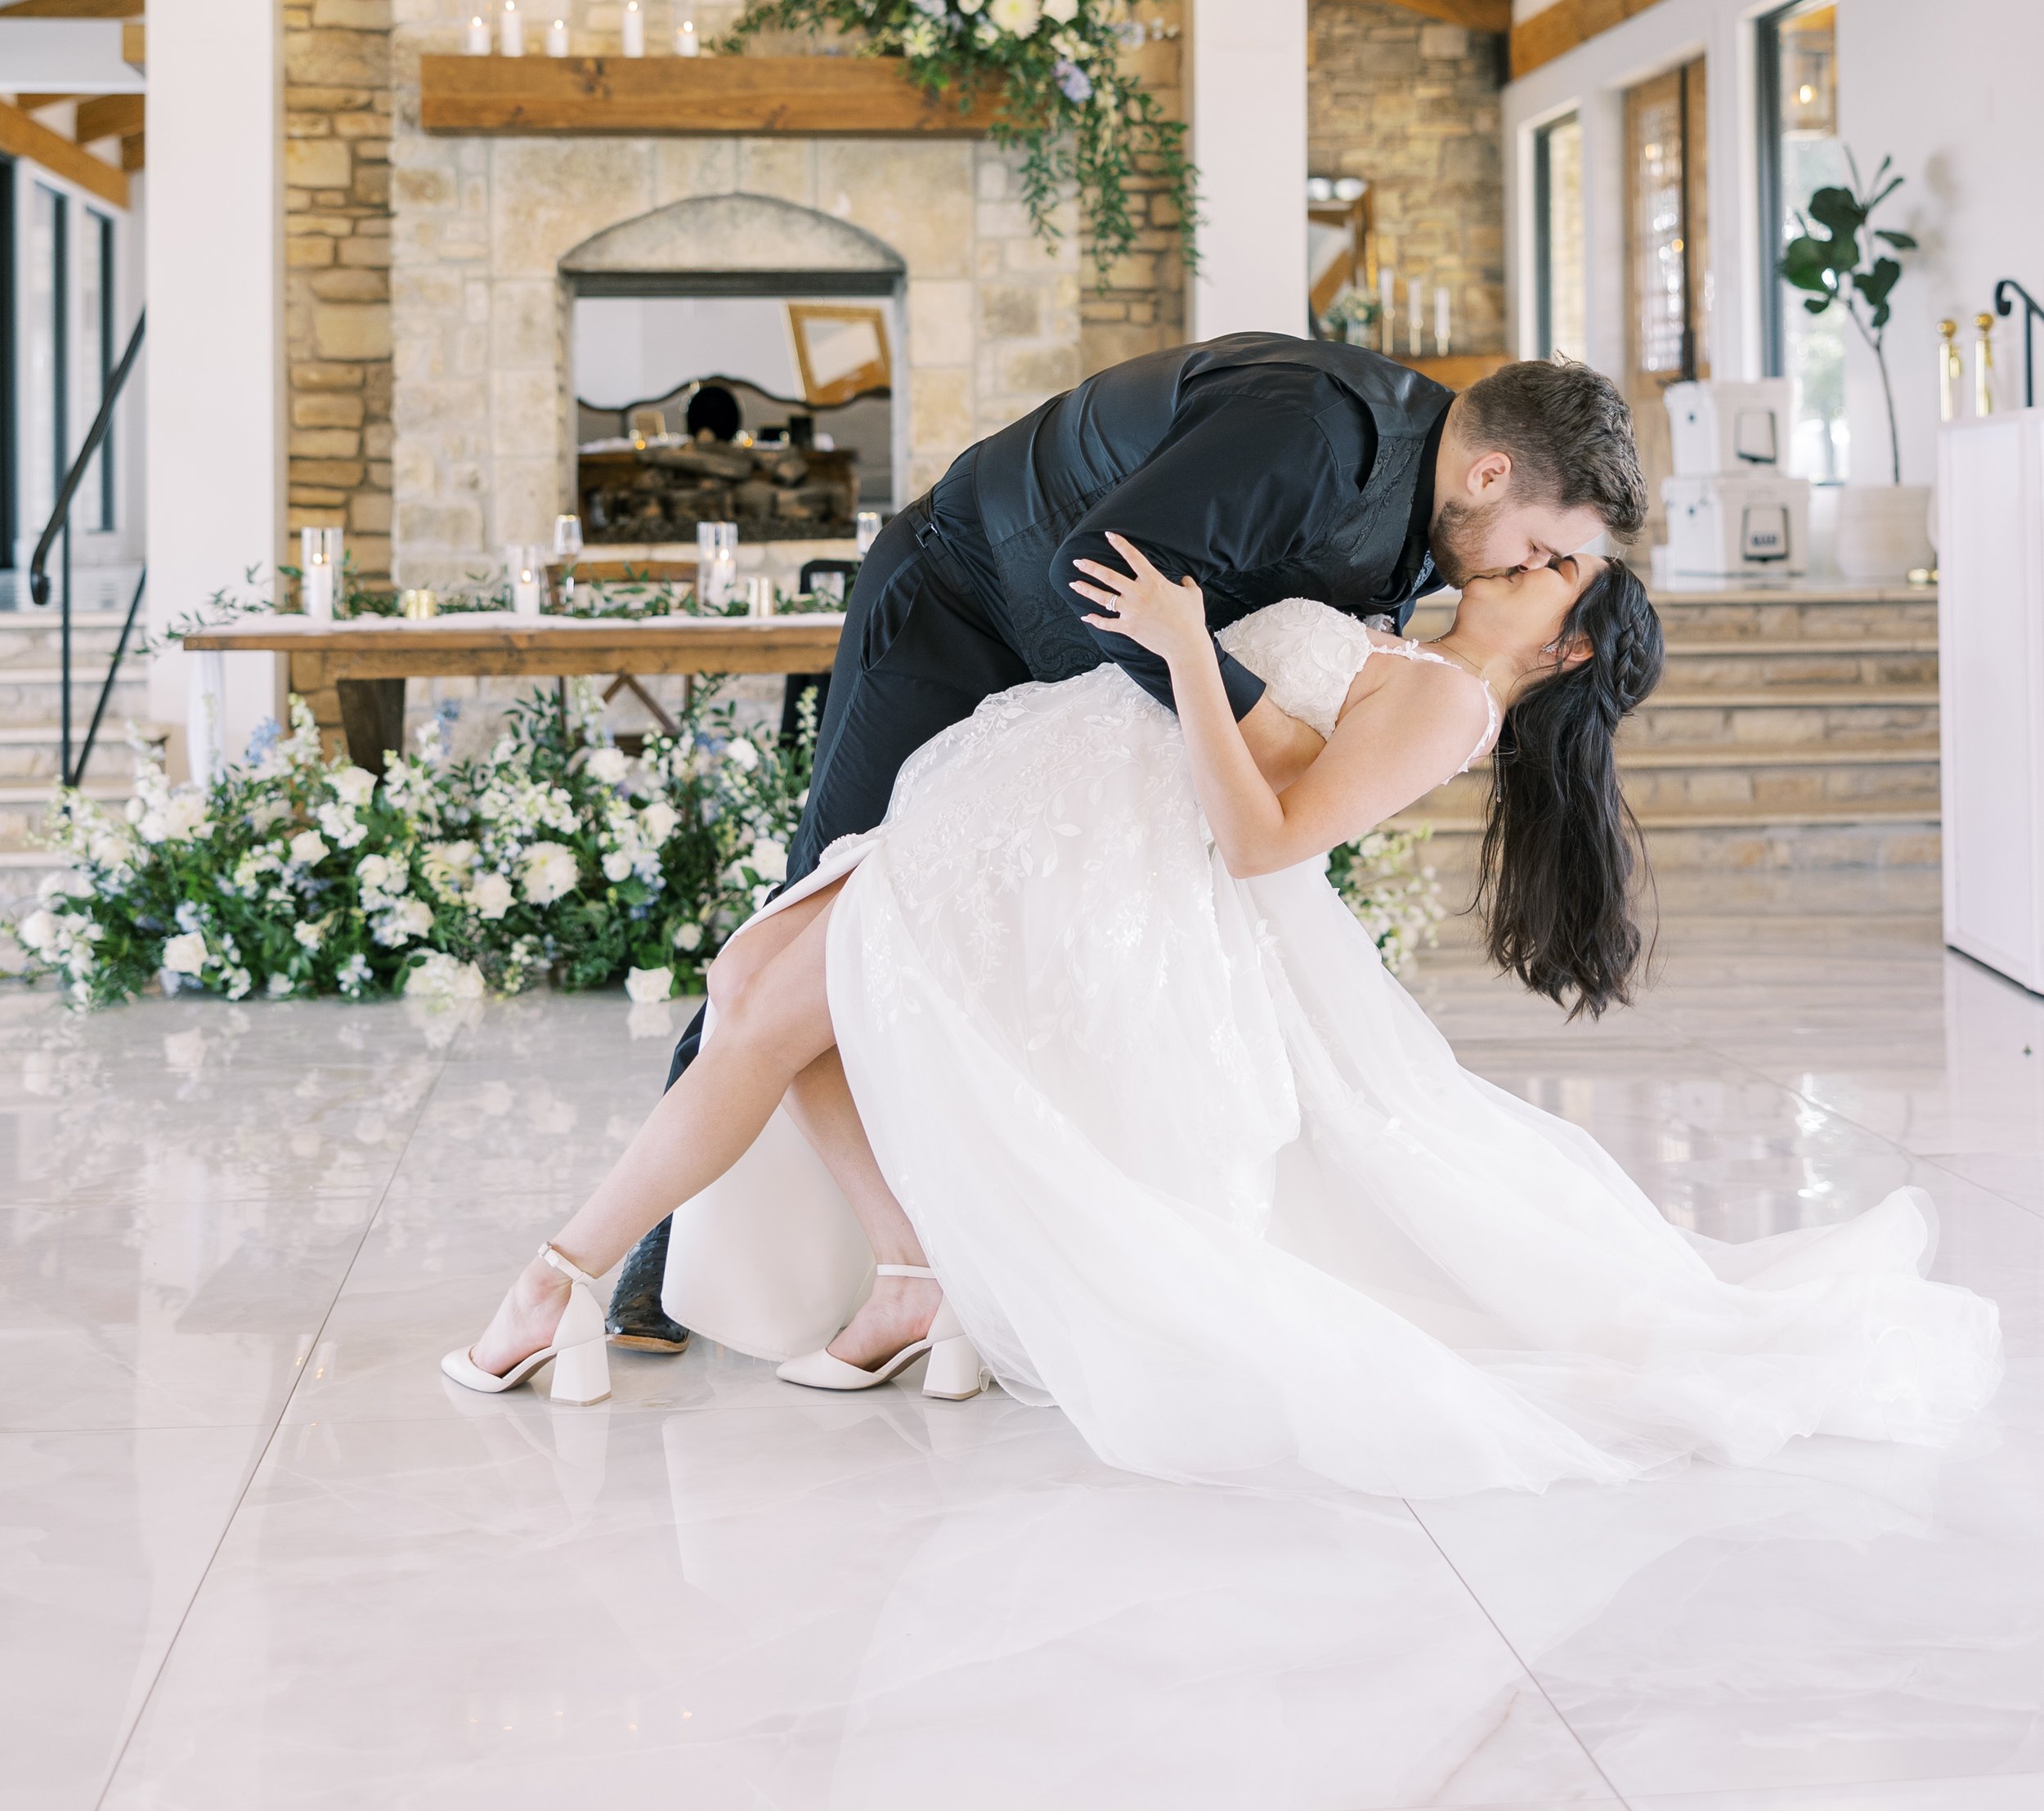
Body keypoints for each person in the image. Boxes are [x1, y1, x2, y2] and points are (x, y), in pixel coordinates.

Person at [445, 538, 2000, 1497]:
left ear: (1567, 645)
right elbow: (1264, 748)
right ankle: (902, 1279)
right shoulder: (1408, 641)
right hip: (1043, 823)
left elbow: (1264, 834)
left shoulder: (1455, 702)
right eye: (1535, 545)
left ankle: (562, 1282)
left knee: (773, 999)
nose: (1519, 559)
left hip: (1089, 865)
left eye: (1551, 573)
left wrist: (1189, 647)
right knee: (779, 998)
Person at [604, 335, 1648, 1348]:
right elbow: (1099, 566)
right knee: (817, 917)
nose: (1537, 564)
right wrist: (1261, 723)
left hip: (1086, 703)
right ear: (1492, 469)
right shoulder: (1318, 434)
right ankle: (658, 1255)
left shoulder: (1437, 520)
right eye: (1544, 542)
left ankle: (938, 1269)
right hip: (957, 612)